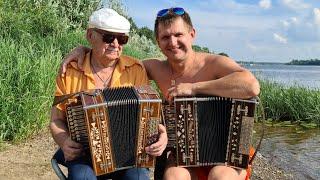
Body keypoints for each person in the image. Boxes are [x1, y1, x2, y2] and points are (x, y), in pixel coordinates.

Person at [61, 7, 260, 180]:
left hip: (228, 150)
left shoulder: (214, 63)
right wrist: (85, 50)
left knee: (220, 177)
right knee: (173, 177)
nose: (172, 42)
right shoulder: (153, 68)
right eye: (165, 37)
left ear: (192, 34)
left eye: (178, 35)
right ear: (157, 41)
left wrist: (193, 88)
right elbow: (113, 60)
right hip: (185, 153)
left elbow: (251, 86)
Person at [50, 8, 167, 180]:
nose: (115, 44)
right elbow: (56, 120)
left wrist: (161, 134)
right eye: (108, 37)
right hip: (84, 154)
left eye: (122, 39)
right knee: (82, 177)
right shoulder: (70, 71)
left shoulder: (135, 69)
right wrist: (64, 142)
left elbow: (150, 117)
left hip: (129, 154)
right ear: (90, 36)